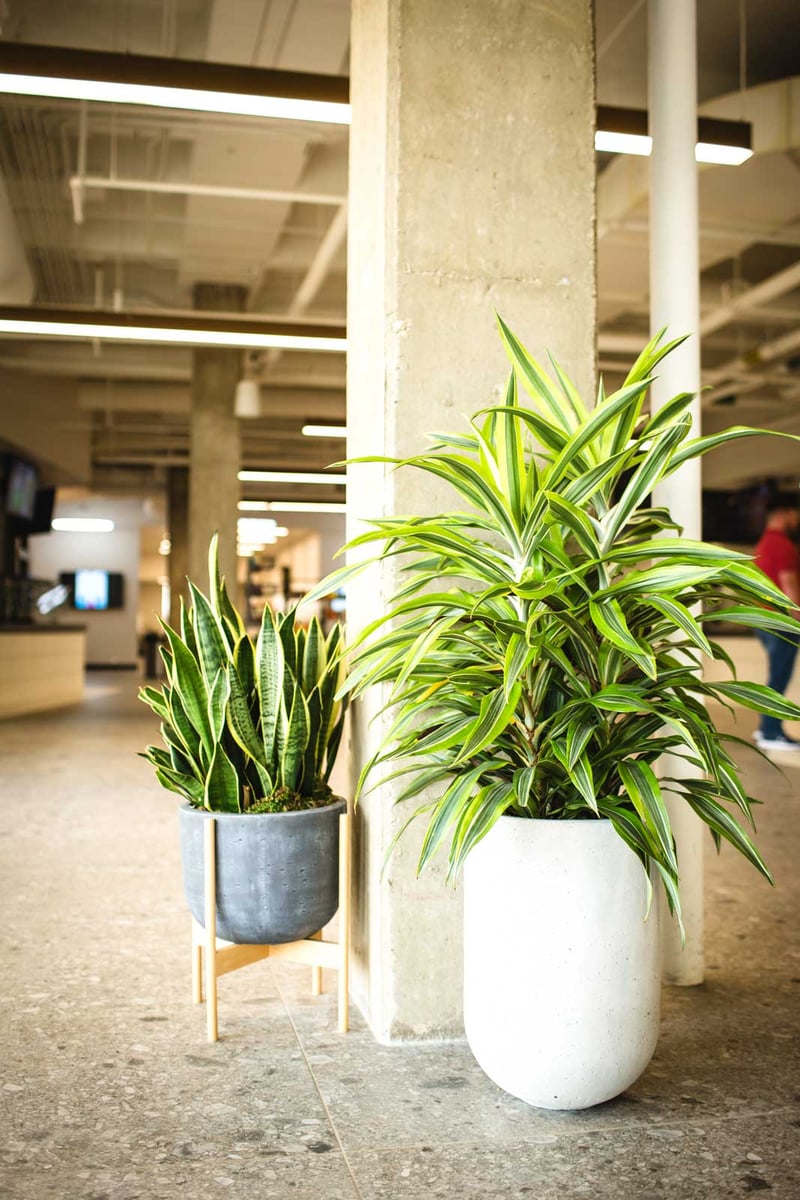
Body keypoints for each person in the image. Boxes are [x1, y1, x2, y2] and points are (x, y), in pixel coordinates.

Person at [753, 494, 800, 751]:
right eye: (794, 514)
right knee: (779, 677)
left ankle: (766, 729)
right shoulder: (782, 544)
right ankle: (771, 732)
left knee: (776, 675)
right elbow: (789, 583)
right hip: (782, 621)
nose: (797, 520)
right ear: (783, 515)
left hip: (766, 618)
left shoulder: (764, 543)